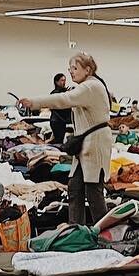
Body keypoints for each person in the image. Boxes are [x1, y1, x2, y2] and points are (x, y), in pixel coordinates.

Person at [19, 52, 112, 225]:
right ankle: (75, 230)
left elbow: (64, 99)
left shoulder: (90, 87)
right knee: (75, 188)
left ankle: (104, 233)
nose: (71, 72)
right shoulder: (87, 86)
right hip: (85, 144)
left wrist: (34, 102)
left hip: (95, 143)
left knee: (93, 191)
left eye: (75, 68)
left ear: (88, 69)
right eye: (69, 69)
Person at [48, 73, 74, 145]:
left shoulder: (64, 92)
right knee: (58, 141)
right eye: (62, 80)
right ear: (56, 82)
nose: (64, 82)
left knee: (59, 140)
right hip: (57, 121)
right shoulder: (55, 93)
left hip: (61, 121)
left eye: (65, 80)